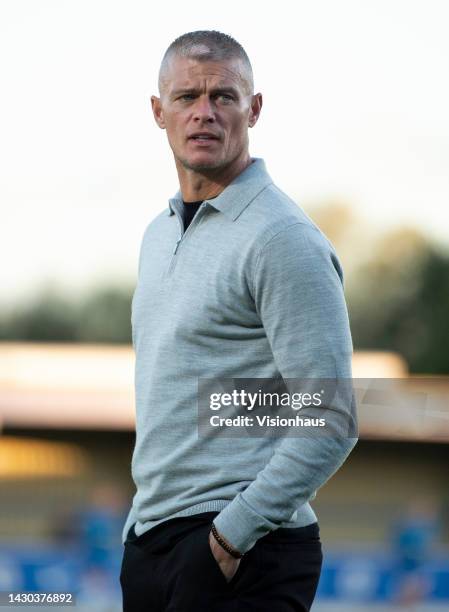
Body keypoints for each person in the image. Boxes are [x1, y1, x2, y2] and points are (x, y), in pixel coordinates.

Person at [119, 30, 358, 611]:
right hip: (152, 542)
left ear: (253, 108)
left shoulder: (283, 239)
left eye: (223, 96)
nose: (204, 113)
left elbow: (330, 415)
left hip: (244, 551)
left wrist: (229, 538)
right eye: (186, 98)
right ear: (159, 112)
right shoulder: (157, 235)